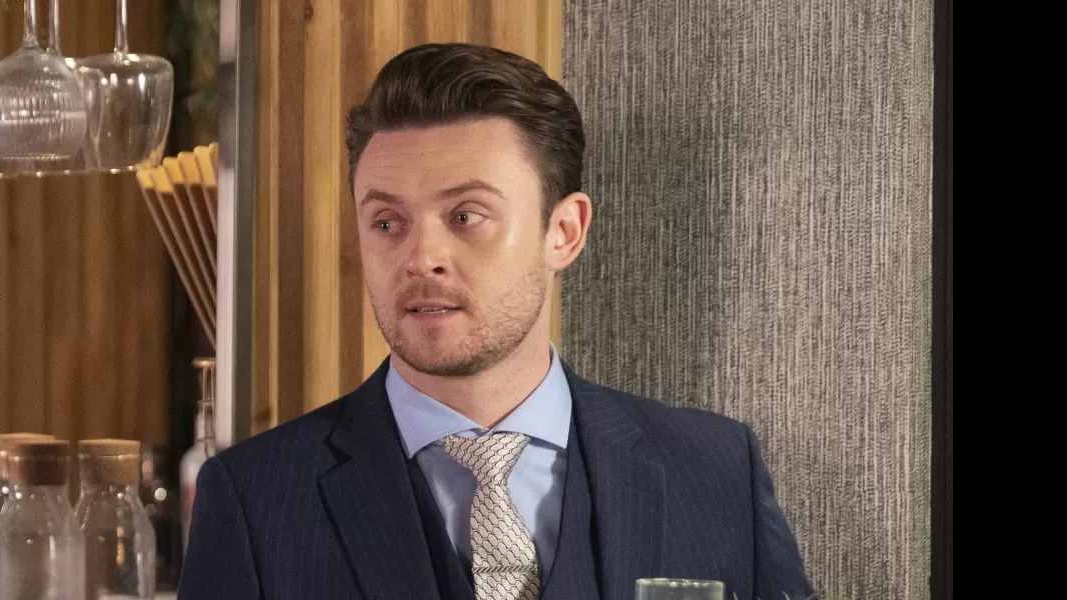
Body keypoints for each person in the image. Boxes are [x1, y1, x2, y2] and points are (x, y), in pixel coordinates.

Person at [179, 43, 813, 600]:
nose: (421, 258)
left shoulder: (715, 472)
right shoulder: (254, 500)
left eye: (466, 216)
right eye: (387, 222)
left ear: (564, 231)